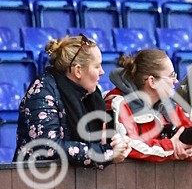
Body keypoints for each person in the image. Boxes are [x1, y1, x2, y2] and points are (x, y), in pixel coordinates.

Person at [15, 33, 129, 168]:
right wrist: (105, 154)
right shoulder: (41, 92)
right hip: (35, 181)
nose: (102, 72)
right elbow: (49, 147)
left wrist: (118, 144)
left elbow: (103, 141)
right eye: (97, 66)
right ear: (78, 71)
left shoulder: (91, 95)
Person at [105, 47, 192, 160]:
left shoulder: (169, 105)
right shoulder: (117, 103)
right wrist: (170, 146)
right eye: (171, 76)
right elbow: (127, 146)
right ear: (152, 81)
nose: (176, 81)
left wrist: (188, 149)